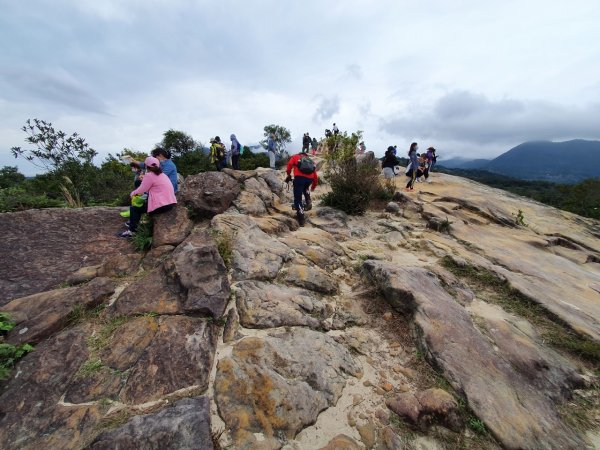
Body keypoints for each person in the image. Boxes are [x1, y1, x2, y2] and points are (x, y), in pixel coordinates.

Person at [119, 156, 177, 238]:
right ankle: (136, 222)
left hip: (161, 206)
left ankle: (132, 231)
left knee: (134, 209)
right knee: (143, 204)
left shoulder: (149, 175)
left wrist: (132, 194)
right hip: (170, 204)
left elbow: (141, 190)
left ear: (146, 166)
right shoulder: (162, 174)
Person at [286, 149, 318, 226]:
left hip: (299, 179)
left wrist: (288, 174)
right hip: (310, 179)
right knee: (306, 187)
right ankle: (308, 201)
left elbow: (289, 165)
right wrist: (313, 186)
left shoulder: (295, 157)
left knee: (298, 199)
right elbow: (315, 175)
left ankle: (301, 218)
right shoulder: (310, 160)